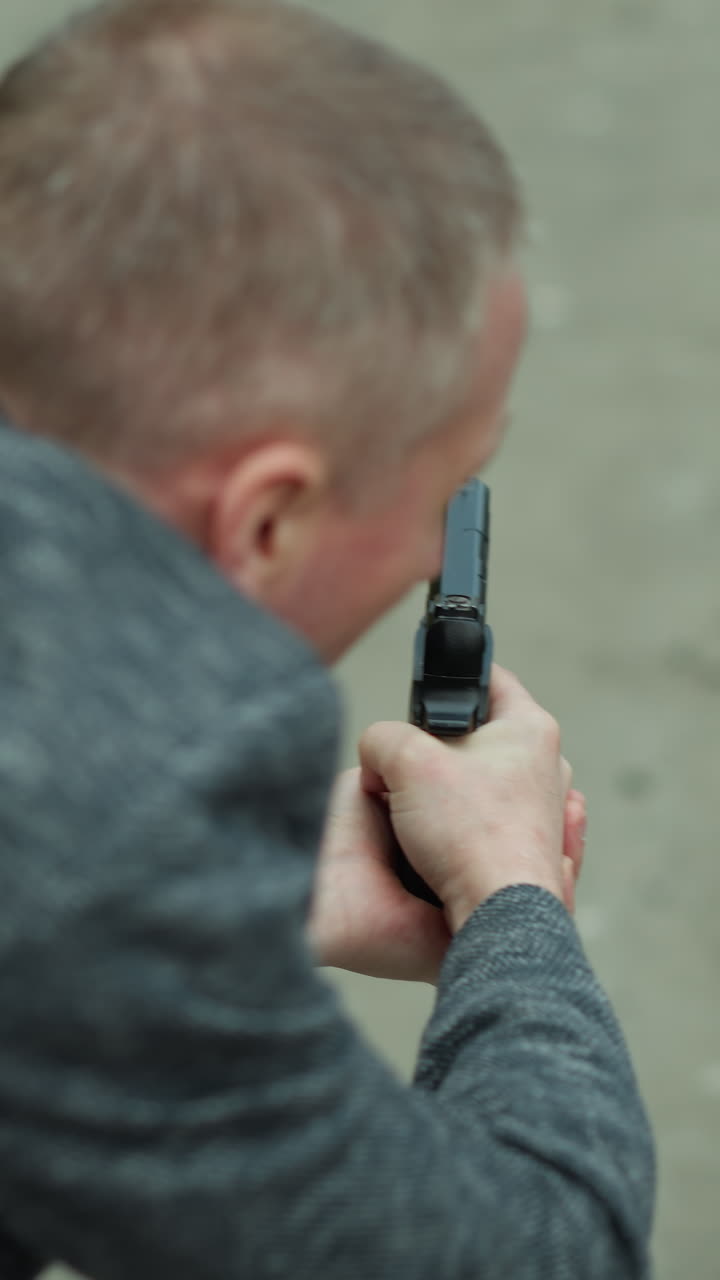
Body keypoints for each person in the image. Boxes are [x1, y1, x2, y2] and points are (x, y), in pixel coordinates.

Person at [0, 1, 654, 1277]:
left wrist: (229, 915)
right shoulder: (104, 836)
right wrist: (513, 898)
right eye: (442, 495)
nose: (430, 560)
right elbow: (539, 1254)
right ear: (269, 519)